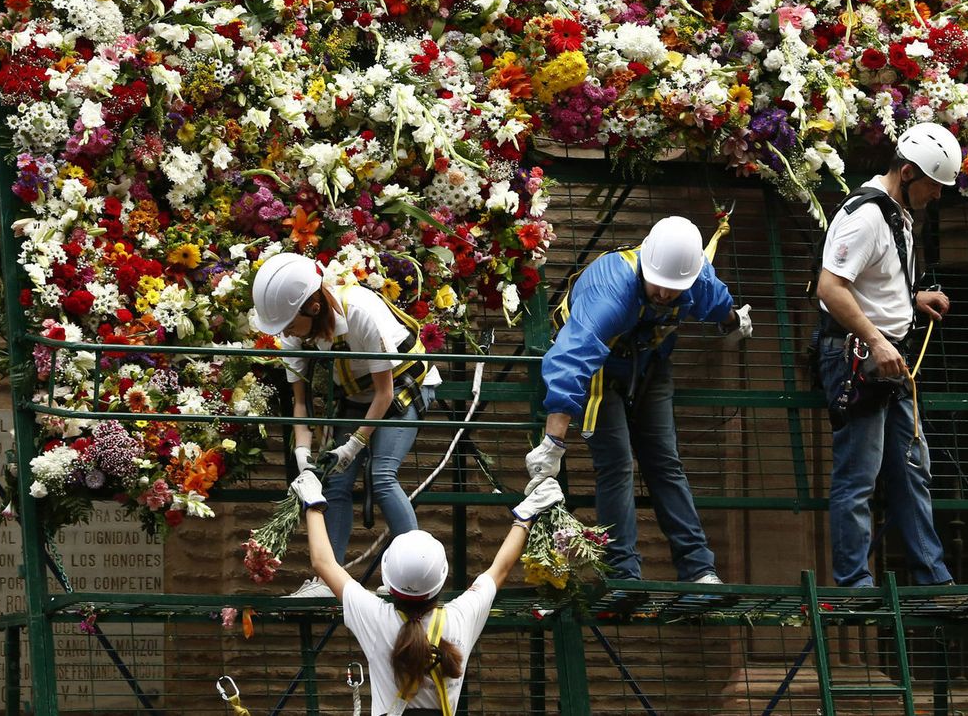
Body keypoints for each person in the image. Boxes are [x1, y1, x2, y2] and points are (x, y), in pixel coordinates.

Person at [524, 216, 752, 583]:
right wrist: (553, 443)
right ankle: (623, 572)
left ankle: (699, 570)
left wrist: (732, 321)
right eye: (659, 285)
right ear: (647, 263)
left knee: (665, 463)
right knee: (616, 464)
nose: (665, 295)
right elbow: (573, 358)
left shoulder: (695, 278)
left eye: (674, 289)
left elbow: (716, 301)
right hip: (598, 369)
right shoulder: (611, 288)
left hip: (649, 363)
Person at [812, 122, 962, 588]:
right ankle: (855, 583)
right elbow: (830, 288)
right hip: (858, 354)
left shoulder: (896, 211)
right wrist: (877, 340)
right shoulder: (866, 215)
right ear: (910, 172)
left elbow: (868, 283)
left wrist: (911, 301)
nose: (938, 197)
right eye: (935, 186)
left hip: (888, 355)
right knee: (860, 474)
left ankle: (932, 578)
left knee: (914, 468)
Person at [289, 468, 565, 715]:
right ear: (441, 580)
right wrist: (526, 515)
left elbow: (322, 562)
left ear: (389, 579)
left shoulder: (376, 618)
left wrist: (314, 502)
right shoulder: (460, 619)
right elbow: (500, 569)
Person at [253, 252, 443, 597]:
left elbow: (384, 393)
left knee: (382, 475)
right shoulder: (294, 332)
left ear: (312, 307)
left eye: (290, 326)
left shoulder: (360, 312)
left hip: (402, 387)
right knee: (334, 484)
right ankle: (330, 581)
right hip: (358, 396)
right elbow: (300, 402)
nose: (288, 335)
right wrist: (302, 454)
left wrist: (354, 444)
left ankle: (415, 578)